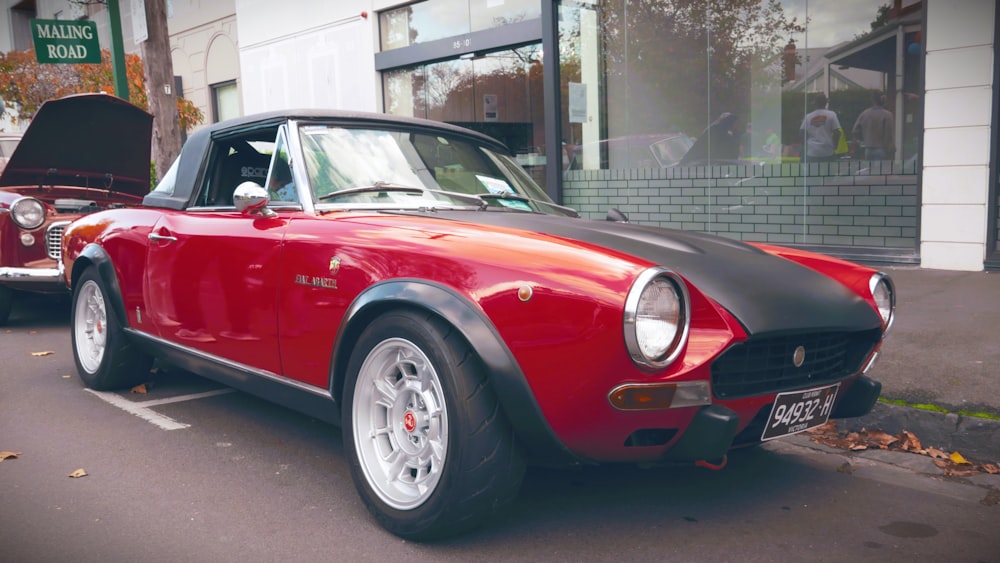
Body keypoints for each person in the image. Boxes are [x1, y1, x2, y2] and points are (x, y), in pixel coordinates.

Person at [852, 91, 895, 160]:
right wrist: (890, 148)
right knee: (880, 170)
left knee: (870, 169)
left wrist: (863, 140)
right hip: (881, 149)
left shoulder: (864, 114)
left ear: (873, 100)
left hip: (868, 149)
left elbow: (855, 130)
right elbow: (888, 134)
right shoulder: (887, 115)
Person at [800, 93, 841, 161]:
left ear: (815, 103)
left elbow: (802, 132)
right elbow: (837, 132)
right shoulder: (832, 115)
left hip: (812, 152)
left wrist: (806, 144)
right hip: (827, 151)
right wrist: (835, 146)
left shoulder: (808, 116)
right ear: (826, 103)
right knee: (828, 171)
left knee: (813, 171)